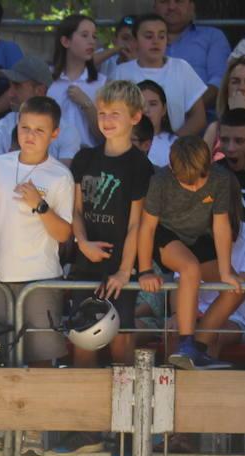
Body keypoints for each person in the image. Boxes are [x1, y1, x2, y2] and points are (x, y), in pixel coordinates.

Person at [0, 95, 74, 375]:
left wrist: (40, 206)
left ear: (55, 134)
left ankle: (39, 419)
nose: (30, 135)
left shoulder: (60, 176)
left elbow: (64, 233)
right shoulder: (0, 165)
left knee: (42, 358)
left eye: (40, 130)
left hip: (41, 277)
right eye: (25, 127)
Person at [66, 80, 152, 378]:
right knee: (83, 344)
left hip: (119, 272)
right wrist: (82, 243)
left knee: (122, 345)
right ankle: (81, 423)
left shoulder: (140, 166)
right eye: (102, 113)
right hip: (84, 266)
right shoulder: (84, 158)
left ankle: (126, 424)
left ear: (135, 117)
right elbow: (76, 210)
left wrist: (125, 271)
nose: (107, 120)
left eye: (116, 113)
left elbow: (136, 224)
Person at [138, 135, 242, 370]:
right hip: (165, 235)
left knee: (235, 288)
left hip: (198, 237)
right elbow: (148, 227)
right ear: (173, 171)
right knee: (190, 268)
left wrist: (225, 271)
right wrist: (145, 270)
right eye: (188, 182)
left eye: (200, 179)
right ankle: (185, 343)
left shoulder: (220, 178)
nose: (195, 186)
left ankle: (199, 348)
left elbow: (221, 224)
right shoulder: (160, 181)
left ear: (209, 166)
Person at [112, 13, 206, 139]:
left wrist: (171, 144)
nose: (156, 41)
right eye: (149, 36)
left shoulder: (181, 68)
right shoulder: (120, 73)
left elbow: (199, 118)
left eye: (161, 36)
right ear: (135, 41)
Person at [0, 57, 77, 164]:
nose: (10, 94)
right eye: (10, 86)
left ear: (40, 90)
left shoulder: (67, 132)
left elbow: (64, 178)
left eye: (17, 86)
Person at [49, 14, 106, 155]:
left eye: (94, 36)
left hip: (89, 160)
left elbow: (104, 135)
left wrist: (86, 104)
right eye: (85, 35)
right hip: (51, 158)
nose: (92, 42)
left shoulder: (103, 83)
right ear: (65, 41)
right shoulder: (46, 79)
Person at [156, 0, 229, 105]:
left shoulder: (213, 37)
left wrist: (190, 111)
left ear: (191, 6)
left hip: (205, 117)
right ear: (154, 6)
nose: (171, 6)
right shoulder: (140, 41)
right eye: (164, 1)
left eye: (179, 1)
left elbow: (219, 81)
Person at [136, 79, 175, 167]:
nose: (146, 110)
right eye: (141, 104)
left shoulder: (176, 145)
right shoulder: (121, 143)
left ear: (164, 109)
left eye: (153, 104)